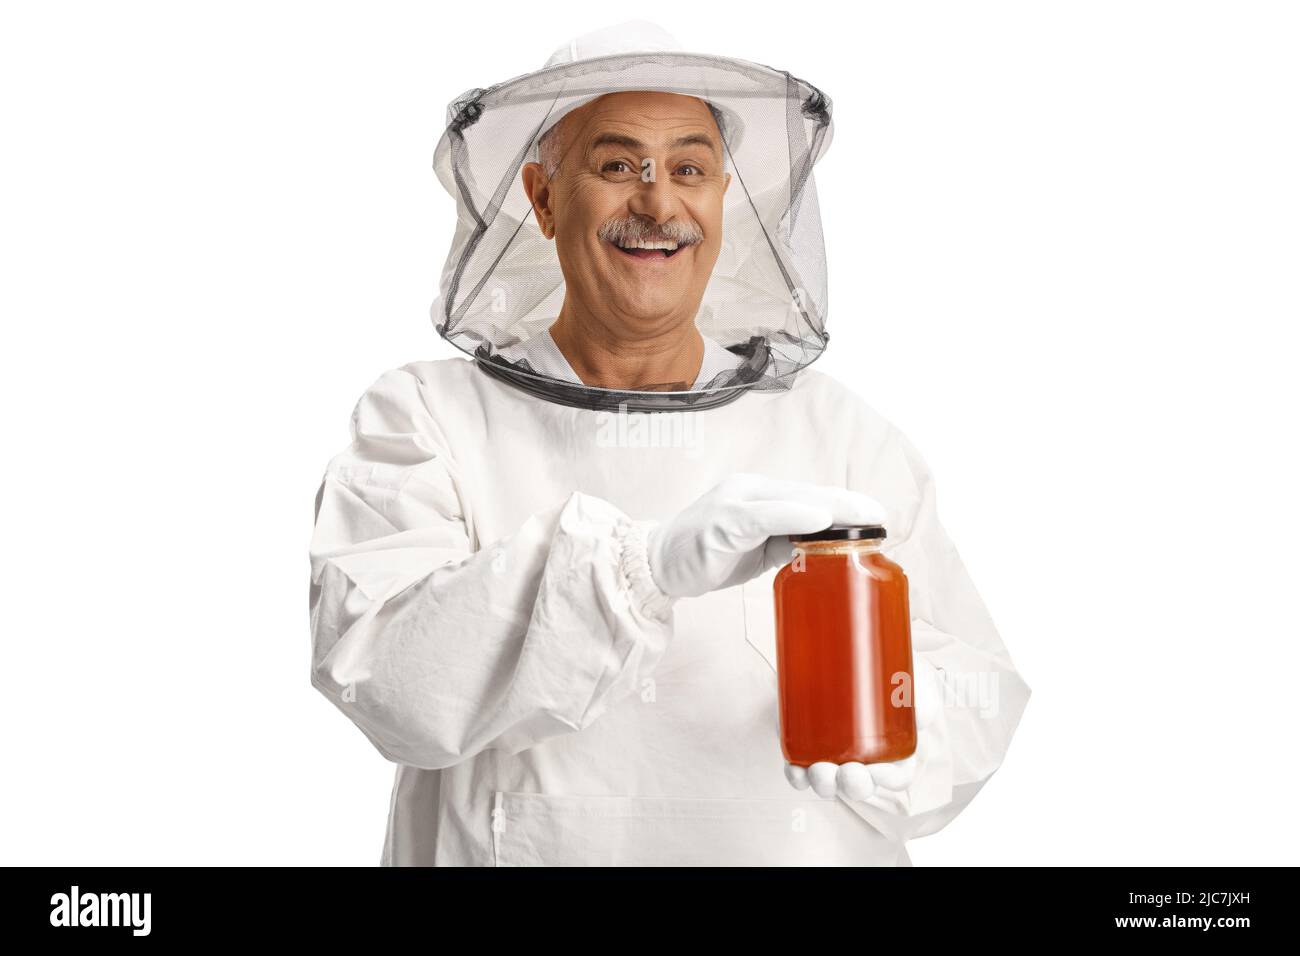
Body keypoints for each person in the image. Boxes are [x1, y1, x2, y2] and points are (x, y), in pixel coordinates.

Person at [308, 21, 1030, 866]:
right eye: (618, 166)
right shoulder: (427, 417)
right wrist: (638, 568)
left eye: (690, 169)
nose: (658, 204)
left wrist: (914, 731)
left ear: (723, 200)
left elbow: (972, 686)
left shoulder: (838, 433)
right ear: (541, 197)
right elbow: (390, 686)